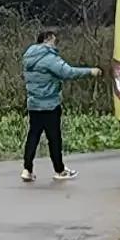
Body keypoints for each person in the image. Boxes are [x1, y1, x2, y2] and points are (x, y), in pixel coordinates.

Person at [21, 27, 92, 180]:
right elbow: (68, 73)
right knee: (54, 139)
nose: (56, 43)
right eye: (54, 39)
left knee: (33, 136)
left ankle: (27, 169)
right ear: (47, 38)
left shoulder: (28, 57)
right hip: (50, 104)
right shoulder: (49, 58)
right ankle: (59, 170)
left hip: (33, 104)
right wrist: (90, 71)